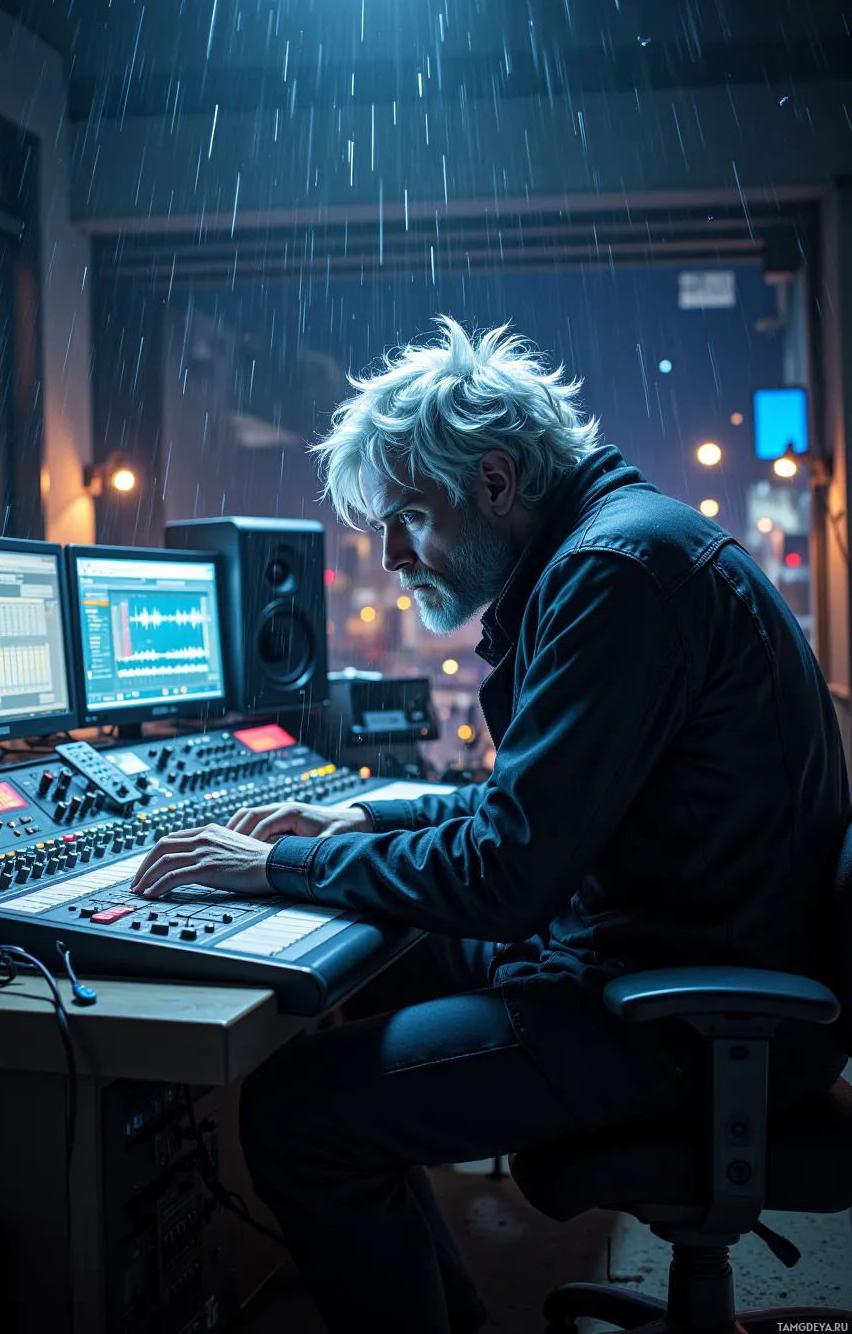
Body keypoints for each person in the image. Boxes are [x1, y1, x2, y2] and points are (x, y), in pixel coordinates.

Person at [131, 317, 849, 1334]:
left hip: (689, 1019)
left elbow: (510, 874)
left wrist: (282, 866)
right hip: (660, 956)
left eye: (407, 517)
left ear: (497, 483)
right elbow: (539, 809)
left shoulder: (616, 576)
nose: (386, 557)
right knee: (392, 973)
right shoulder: (616, 549)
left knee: (296, 1115)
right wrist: (362, 810)